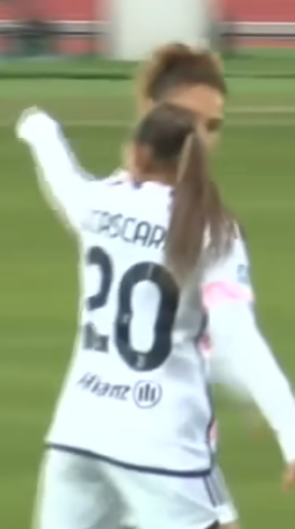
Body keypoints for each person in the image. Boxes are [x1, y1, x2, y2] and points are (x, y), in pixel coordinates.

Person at [17, 103, 295, 529]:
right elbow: (236, 337)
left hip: (77, 434)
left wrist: (37, 125)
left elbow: (60, 173)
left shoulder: (98, 204)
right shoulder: (210, 231)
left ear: (138, 153)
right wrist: (294, 436)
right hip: (160, 444)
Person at [47, 43, 242, 529]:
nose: (200, 139)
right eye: (188, 121)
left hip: (117, 435)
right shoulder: (200, 227)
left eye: (212, 125)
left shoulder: (113, 205)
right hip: (151, 441)